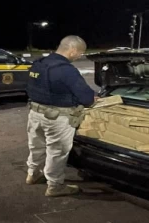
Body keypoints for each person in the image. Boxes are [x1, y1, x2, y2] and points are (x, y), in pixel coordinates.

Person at [25, 35, 97, 197]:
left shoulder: (39, 64)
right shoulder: (67, 70)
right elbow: (86, 98)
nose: (79, 57)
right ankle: (55, 186)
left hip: (35, 113)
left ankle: (32, 174)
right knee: (57, 151)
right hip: (57, 118)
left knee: (36, 145)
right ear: (72, 50)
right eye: (80, 53)